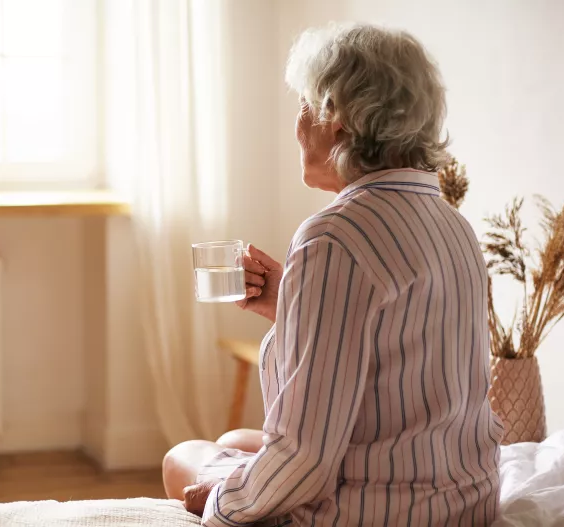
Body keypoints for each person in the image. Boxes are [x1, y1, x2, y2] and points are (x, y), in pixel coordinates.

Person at [163, 23, 503, 527]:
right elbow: (398, 352)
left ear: (337, 118)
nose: (297, 125)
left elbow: (304, 455)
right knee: (236, 442)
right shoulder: (452, 224)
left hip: (379, 512)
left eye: (303, 106)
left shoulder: (335, 237)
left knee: (182, 457)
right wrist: (292, 304)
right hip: (464, 501)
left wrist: (218, 499)